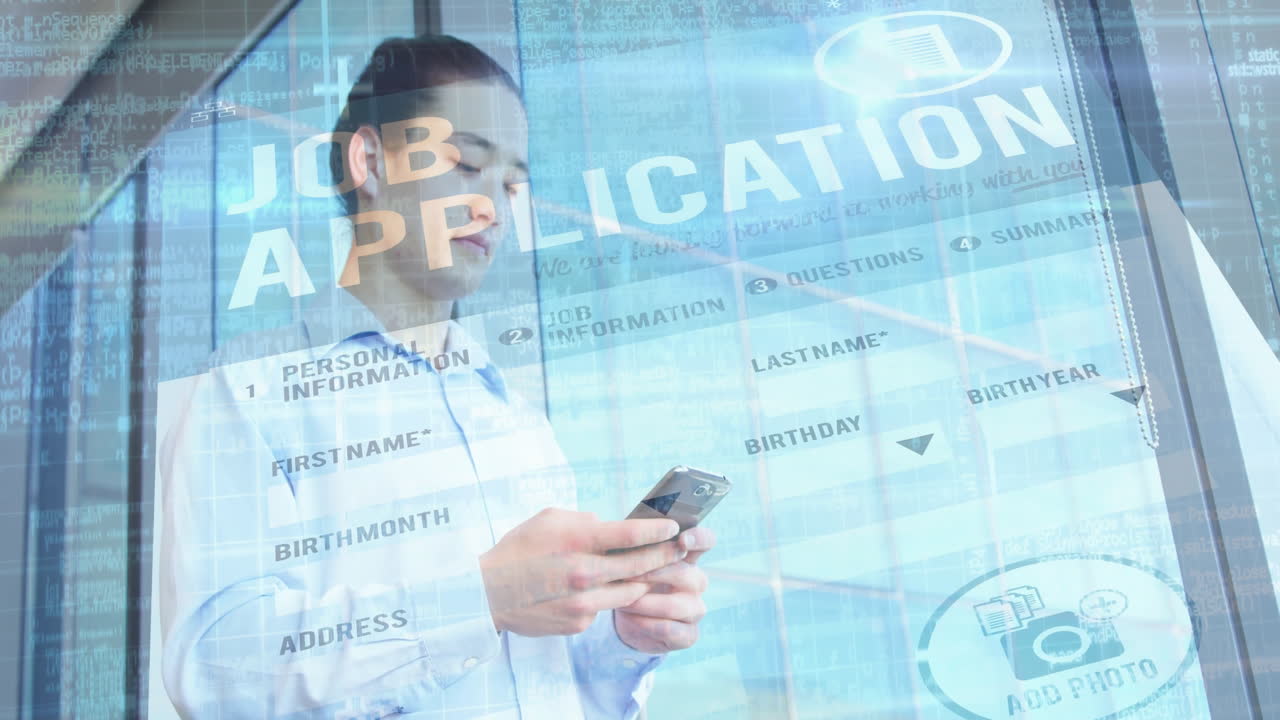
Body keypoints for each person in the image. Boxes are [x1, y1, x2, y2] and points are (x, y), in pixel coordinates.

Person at [157, 35, 716, 720]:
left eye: (510, 184)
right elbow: (216, 674)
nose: (494, 208)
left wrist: (622, 641)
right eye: (466, 164)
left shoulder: (516, 417)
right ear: (370, 161)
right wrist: (481, 600)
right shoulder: (249, 388)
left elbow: (550, 687)